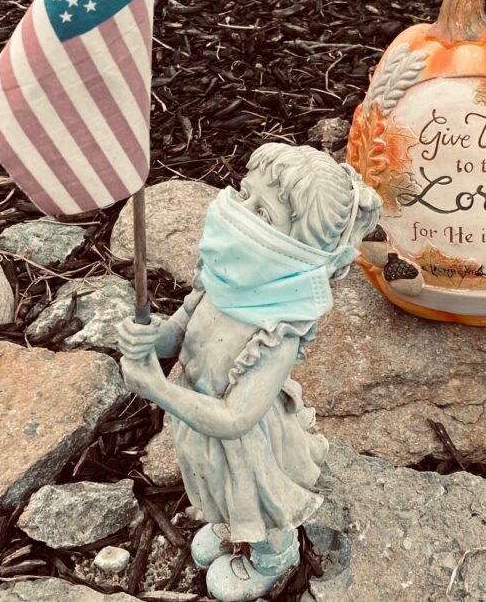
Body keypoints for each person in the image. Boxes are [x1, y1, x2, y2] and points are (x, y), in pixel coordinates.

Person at [118, 142, 381, 601]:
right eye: (244, 194)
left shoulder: (277, 329)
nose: (239, 213)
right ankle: (231, 531)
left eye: (264, 213)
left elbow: (236, 418)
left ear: (296, 250)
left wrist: (157, 389)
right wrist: (151, 336)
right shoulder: (221, 281)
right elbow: (180, 332)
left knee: (255, 498)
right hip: (197, 416)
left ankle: (273, 555)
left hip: (244, 442)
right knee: (217, 488)